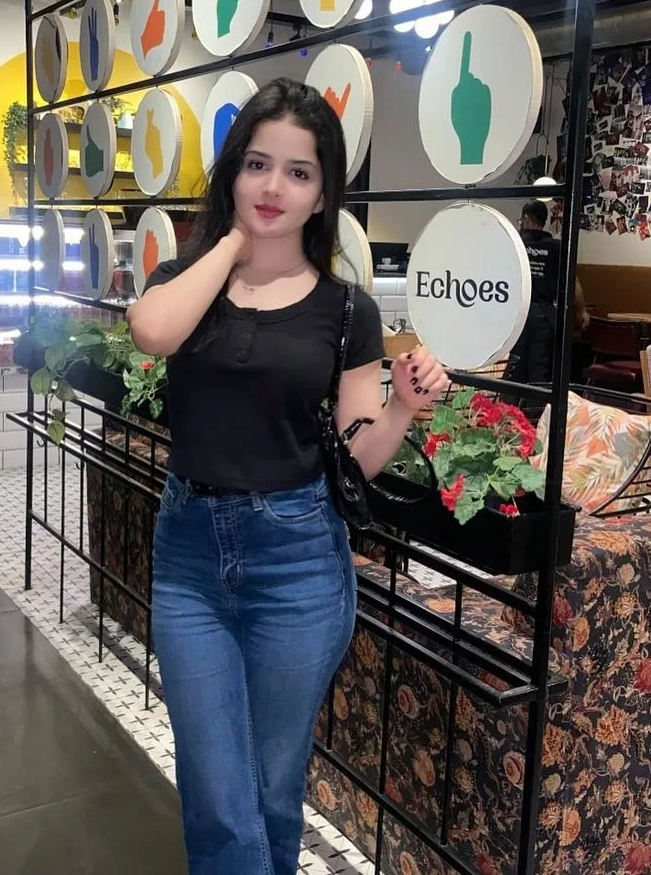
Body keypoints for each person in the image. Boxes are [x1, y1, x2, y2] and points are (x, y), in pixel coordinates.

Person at [127, 77, 448, 875]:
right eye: (258, 165)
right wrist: (233, 241)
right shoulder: (191, 282)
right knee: (216, 790)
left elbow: (355, 454)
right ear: (233, 171)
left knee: (273, 788)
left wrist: (402, 408)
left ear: (323, 193)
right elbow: (153, 331)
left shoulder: (346, 311)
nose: (274, 187)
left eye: (299, 172)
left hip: (298, 560)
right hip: (190, 558)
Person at [508, 199, 589, 385]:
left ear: (526, 219)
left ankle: (511, 403)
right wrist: (582, 311)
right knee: (539, 368)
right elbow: (572, 282)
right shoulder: (556, 248)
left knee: (514, 367)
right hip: (544, 314)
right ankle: (536, 403)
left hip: (516, 313)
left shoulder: (515, 243)